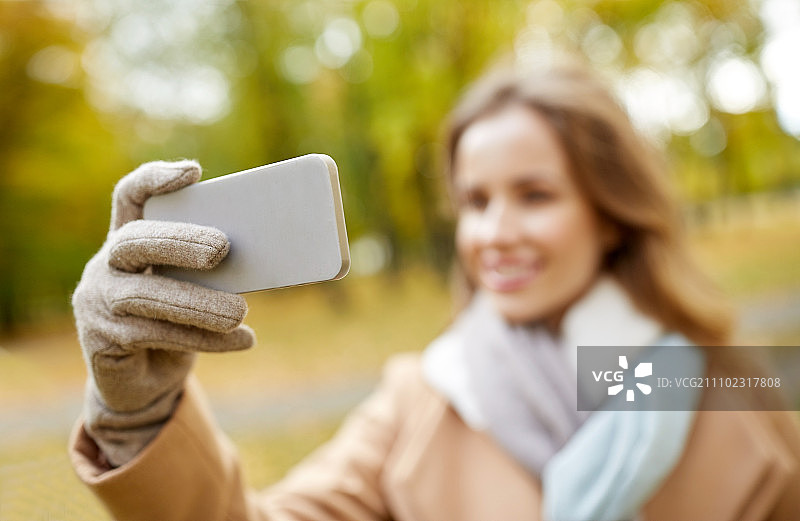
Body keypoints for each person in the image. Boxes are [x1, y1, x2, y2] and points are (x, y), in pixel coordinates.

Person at [70, 60, 800, 521]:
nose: (494, 233)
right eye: (476, 200)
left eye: (535, 194)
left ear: (611, 216)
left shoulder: (727, 386)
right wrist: (139, 411)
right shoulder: (421, 400)